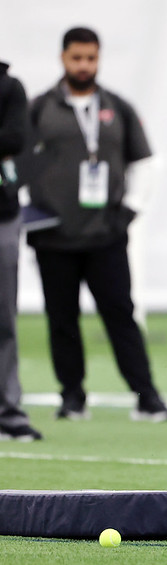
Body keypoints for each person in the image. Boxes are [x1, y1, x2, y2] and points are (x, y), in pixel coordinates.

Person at [26, 27, 167, 422]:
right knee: (62, 320)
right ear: (63, 58)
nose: (83, 66)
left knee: (120, 314)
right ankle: (72, 396)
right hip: (53, 235)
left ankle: (147, 396)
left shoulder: (118, 108)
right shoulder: (40, 107)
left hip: (105, 234)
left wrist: (128, 210)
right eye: (76, 58)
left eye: (90, 58)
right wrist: (28, 209)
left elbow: (144, 162)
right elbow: (16, 160)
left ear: (99, 58)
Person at [0, 62, 43, 441]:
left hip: (2, 213)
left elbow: (14, 139)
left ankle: (8, 410)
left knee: (3, 317)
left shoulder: (8, 86)